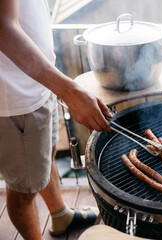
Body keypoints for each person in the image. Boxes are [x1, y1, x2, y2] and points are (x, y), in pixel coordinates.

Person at [0, 0, 112, 239]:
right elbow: (3, 28)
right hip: (15, 97)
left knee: (45, 154)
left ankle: (60, 215)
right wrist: (69, 90)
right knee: (23, 192)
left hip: (37, 80)